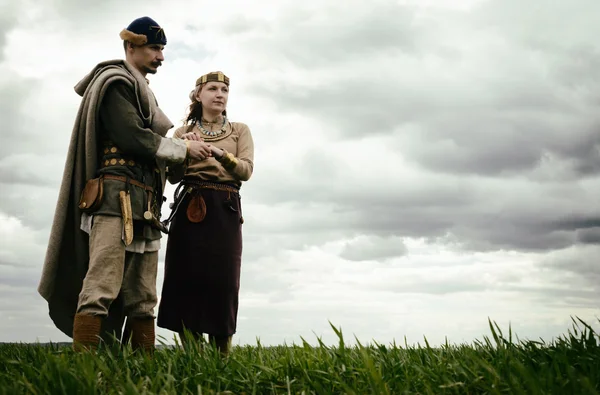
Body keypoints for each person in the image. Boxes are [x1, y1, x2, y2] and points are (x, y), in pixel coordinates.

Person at [37, 16, 213, 353]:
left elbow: (151, 145)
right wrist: (182, 147)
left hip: (146, 204)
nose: (160, 56)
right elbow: (131, 137)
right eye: (154, 48)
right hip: (113, 200)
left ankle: (140, 370)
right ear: (130, 46)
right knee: (101, 284)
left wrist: (182, 151)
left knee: (144, 294)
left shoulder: (144, 92)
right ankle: (85, 369)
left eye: (162, 49)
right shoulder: (115, 83)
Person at [156, 71, 254, 355]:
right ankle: (193, 358)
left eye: (224, 89)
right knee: (186, 279)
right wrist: (185, 149)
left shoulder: (239, 130)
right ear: (198, 95)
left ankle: (222, 358)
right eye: (212, 88)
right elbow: (173, 177)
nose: (220, 94)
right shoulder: (182, 133)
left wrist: (219, 154)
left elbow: (246, 171)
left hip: (225, 207)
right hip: (190, 205)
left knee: (223, 282)